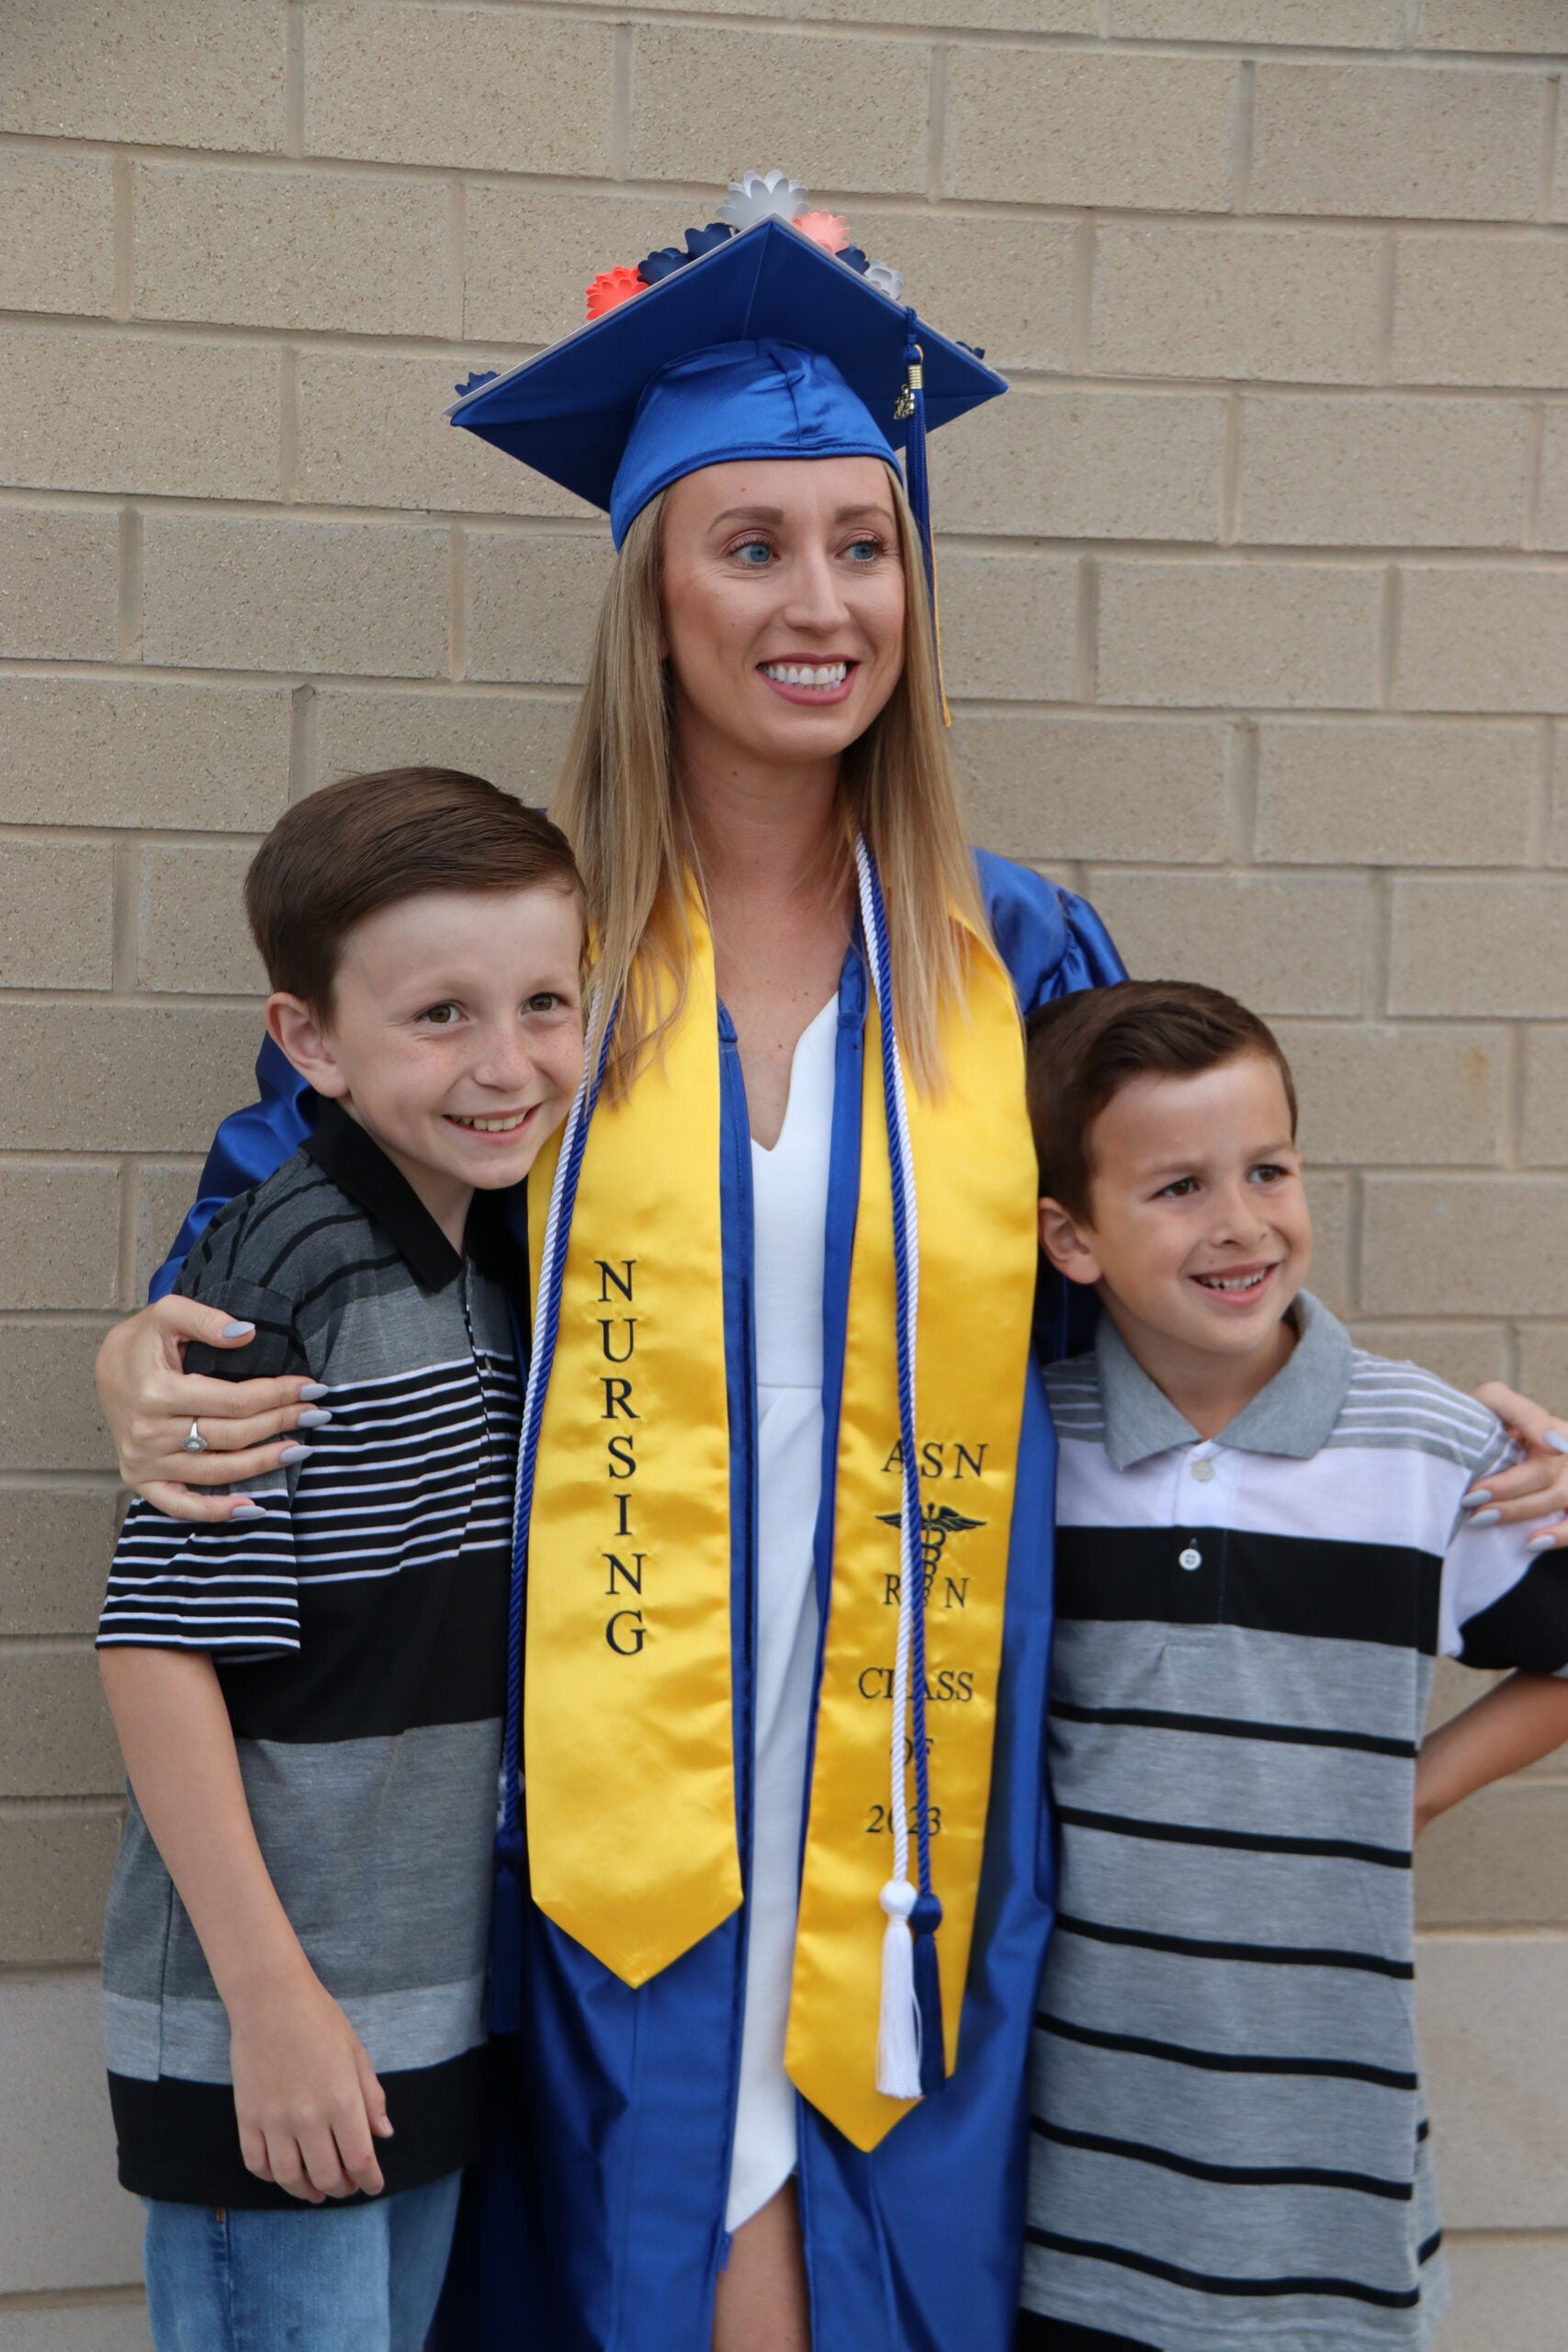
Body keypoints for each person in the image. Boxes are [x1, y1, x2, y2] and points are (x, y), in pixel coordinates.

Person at [89, 181, 1568, 2352]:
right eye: (749, 542)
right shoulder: (530, 950)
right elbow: (288, 1238)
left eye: (861, 543)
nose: (818, 599)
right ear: (654, 588)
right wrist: (137, 1356)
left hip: (927, 1763)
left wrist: (1428, 1428)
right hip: (605, 1761)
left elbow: (1157, 1235)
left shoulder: (1015, 953)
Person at [95, 770, 585, 2352]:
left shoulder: (504, 1258)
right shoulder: (284, 1279)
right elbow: (157, 1653)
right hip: (284, 2028)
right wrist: (274, 2005)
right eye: (441, 1016)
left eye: (544, 1005)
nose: (506, 1065)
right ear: (310, 1042)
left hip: (422, 2007)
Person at [1015, 979, 1568, 2352]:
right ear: (1070, 1238)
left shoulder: (1423, 1446)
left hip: (1328, 2145)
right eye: (1181, 1187)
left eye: (1268, 1169)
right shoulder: (1032, 1449)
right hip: (1079, 2157)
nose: (1242, 1223)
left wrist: (1414, 1793)